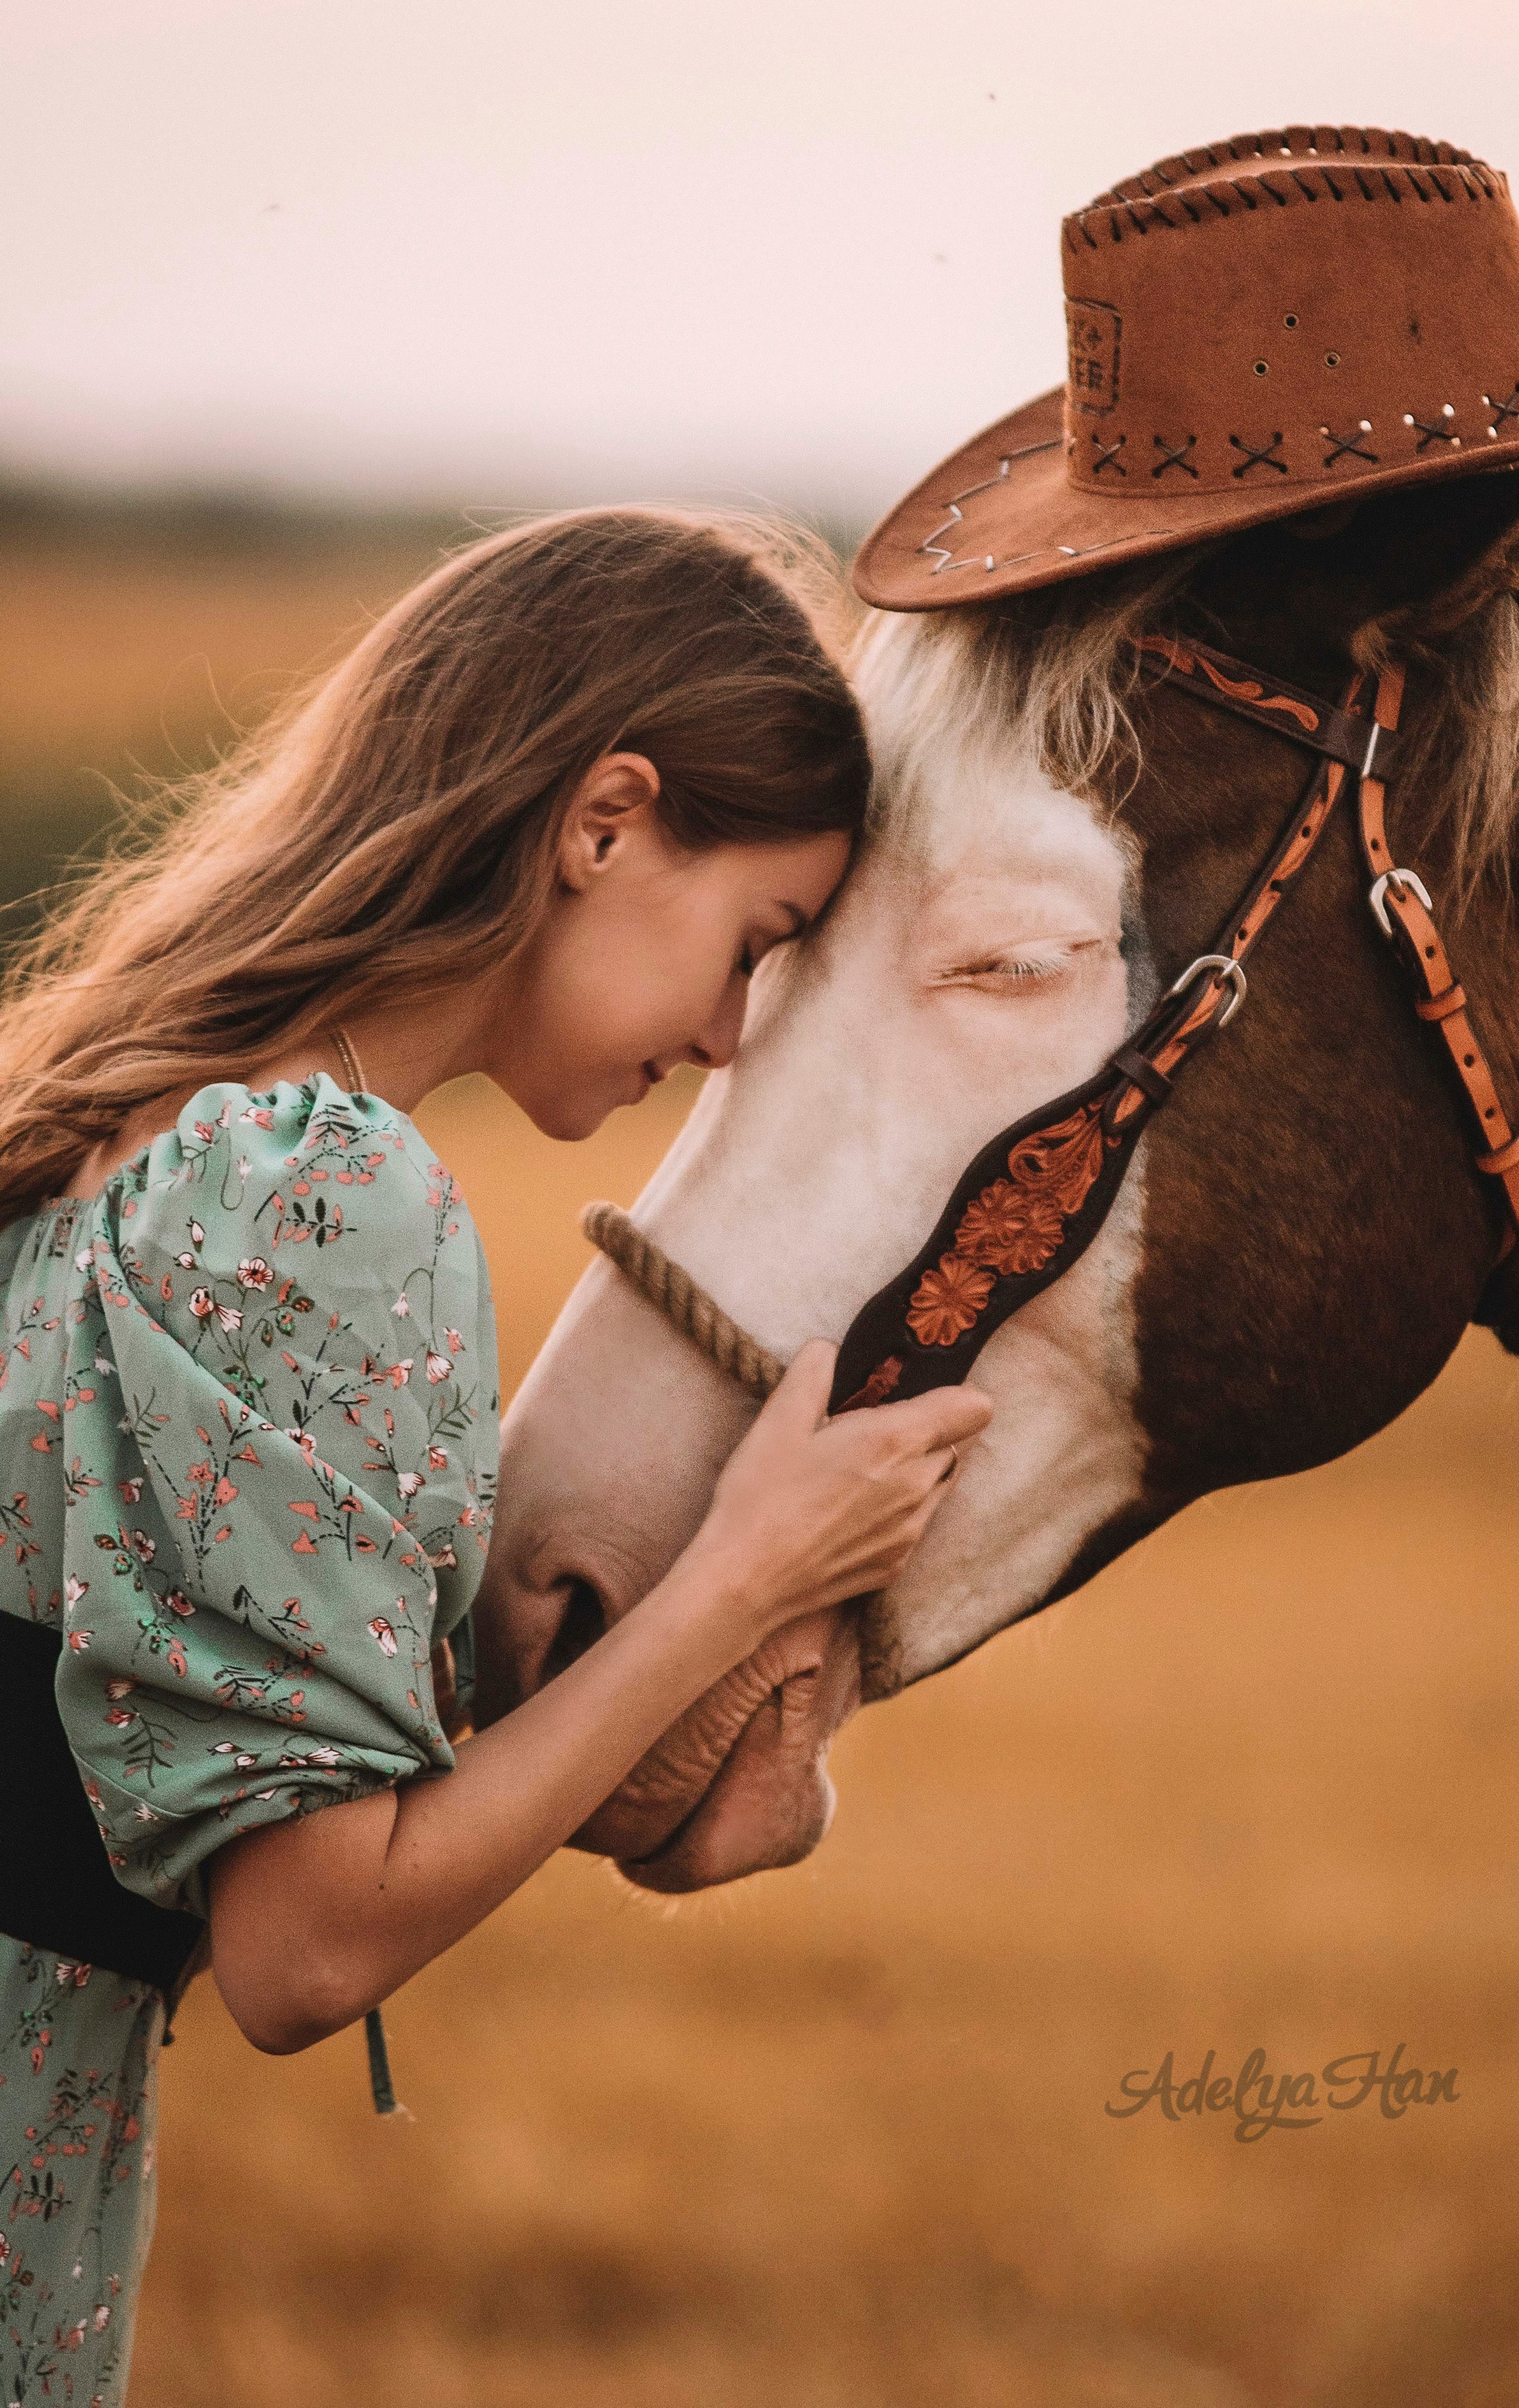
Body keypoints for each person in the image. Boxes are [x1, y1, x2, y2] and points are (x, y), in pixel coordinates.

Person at [0, 508, 992, 2405]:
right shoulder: (331, 1199)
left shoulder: (101, 1136)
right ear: (604, 821)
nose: (721, 1037)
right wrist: (748, 1578)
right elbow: (308, 1952)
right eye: (751, 942)